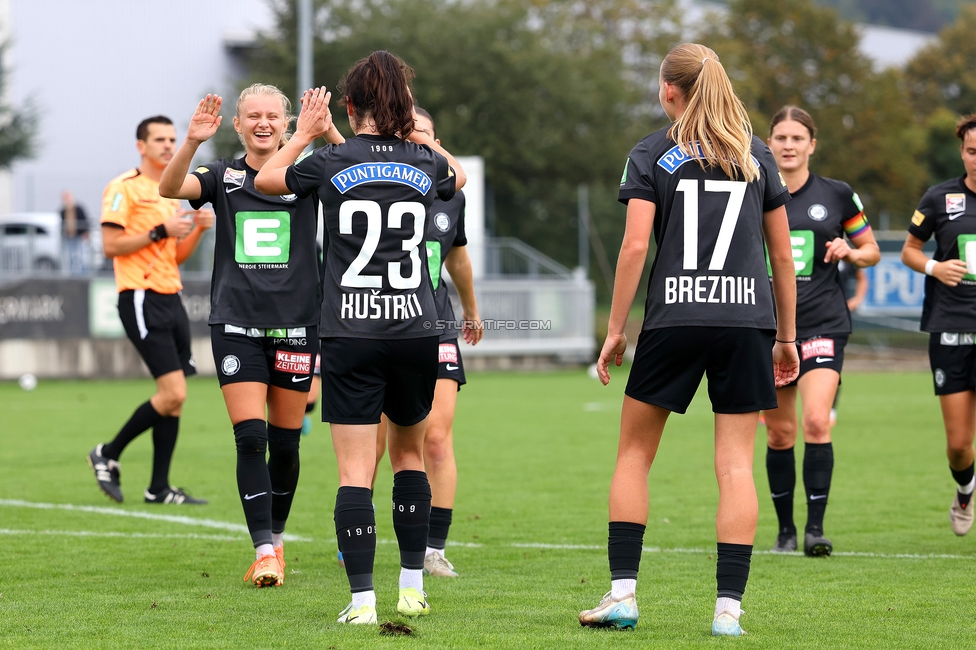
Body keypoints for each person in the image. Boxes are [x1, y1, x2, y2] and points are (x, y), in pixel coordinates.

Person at [577, 43, 799, 637]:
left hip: (674, 318)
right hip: (746, 321)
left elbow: (632, 247)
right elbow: (782, 254)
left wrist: (616, 330)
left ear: (671, 91)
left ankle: (623, 594)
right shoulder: (756, 154)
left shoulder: (651, 152)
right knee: (735, 464)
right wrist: (786, 336)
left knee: (633, 456)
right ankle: (728, 610)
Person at [255, 51, 465, 625]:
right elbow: (458, 176)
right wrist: (411, 137)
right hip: (417, 327)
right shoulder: (424, 161)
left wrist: (305, 133)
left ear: (349, 107)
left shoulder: (333, 160)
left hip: (350, 331)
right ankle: (414, 586)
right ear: (402, 106)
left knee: (354, 472)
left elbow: (267, 179)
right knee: (409, 458)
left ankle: (363, 602)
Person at [158, 86, 320, 587]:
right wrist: (190, 142)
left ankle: (277, 532)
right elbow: (169, 188)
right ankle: (264, 551)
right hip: (236, 325)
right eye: (254, 115)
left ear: (288, 123)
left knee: (286, 445)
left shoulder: (308, 174)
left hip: (296, 324)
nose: (264, 123)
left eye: (274, 115)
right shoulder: (223, 175)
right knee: (250, 439)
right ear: (238, 124)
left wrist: (321, 134)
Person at [367, 108, 483, 578]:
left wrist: (471, 312)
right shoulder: (378, 187)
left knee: (435, 439)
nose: (417, 140)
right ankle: (359, 530)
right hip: (379, 326)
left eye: (426, 134)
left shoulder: (449, 195)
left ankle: (434, 547)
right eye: (408, 132)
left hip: (435, 326)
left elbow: (457, 260)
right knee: (374, 441)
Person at [761, 106, 880, 557]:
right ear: (769, 143)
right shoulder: (752, 192)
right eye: (780, 137)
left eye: (797, 138)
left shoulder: (837, 195)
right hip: (769, 331)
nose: (788, 145)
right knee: (779, 435)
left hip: (824, 324)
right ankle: (785, 532)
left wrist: (850, 251)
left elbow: (871, 251)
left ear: (812, 144)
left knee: (815, 421)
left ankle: (815, 530)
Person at [87, 115, 213, 506]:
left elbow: (174, 256)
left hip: (169, 295)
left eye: (172, 138)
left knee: (175, 396)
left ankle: (158, 487)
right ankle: (107, 452)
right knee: (172, 392)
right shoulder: (123, 187)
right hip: (141, 296)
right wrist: (160, 231)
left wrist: (197, 230)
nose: (167, 145)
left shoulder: (170, 190)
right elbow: (110, 246)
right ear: (141, 145)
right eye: (159, 139)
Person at [901, 114, 976, 538]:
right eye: (971, 151)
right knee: (959, 444)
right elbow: (910, 250)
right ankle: (965, 489)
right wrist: (935, 266)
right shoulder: (939, 197)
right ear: (961, 152)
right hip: (951, 328)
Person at [830, 261, 869, 426]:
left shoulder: (846, 256)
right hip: (798, 318)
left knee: (831, 367)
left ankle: (830, 410)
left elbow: (862, 277)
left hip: (834, 321)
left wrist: (857, 299)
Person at [59, 190, 90, 274]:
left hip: (78, 236)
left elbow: (84, 220)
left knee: (80, 255)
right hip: (69, 236)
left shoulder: (78, 208)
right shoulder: (63, 211)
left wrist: (85, 232)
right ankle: (72, 273)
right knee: (70, 255)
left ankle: (82, 272)